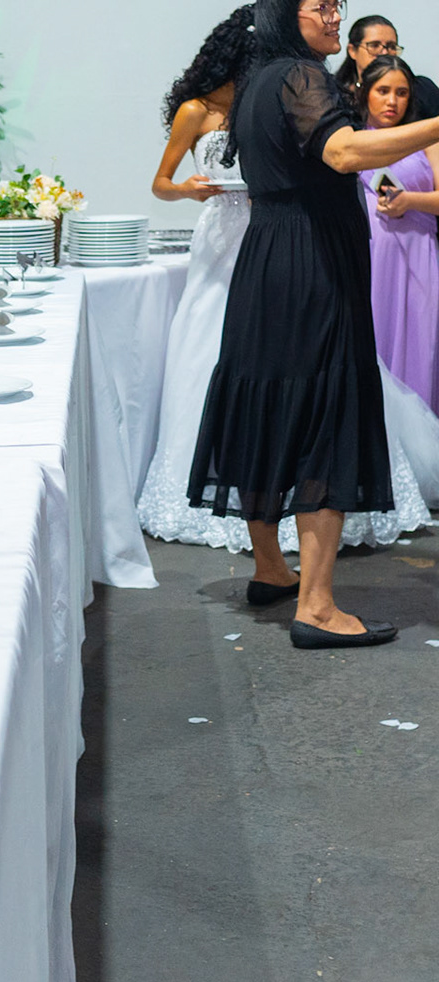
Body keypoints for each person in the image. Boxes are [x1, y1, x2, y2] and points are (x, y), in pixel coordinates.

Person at [188, 0, 439, 649]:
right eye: (321, 6)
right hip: (314, 263)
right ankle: (318, 607)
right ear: (285, 14)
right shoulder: (301, 75)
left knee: (269, 406)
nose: (334, 16)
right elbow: (345, 151)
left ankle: (271, 568)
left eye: (336, 6)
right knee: (326, 416)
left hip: (268, 258)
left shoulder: (256, 80)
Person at [358, 55, 439, 414]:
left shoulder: (427, 139)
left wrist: (410, 200)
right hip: (370, 257)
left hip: (419, 252)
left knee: (422, 340)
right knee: (375, 337)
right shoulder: (352, 141)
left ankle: (420, 434)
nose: (392, 101)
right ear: (366, 93)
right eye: (383, 91)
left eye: (401, 92)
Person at [336, 15, 439, 122]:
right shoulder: (337, 96)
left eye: (391, 46)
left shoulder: (421, 88)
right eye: (374, 45)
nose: (384, 53)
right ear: (352, 51)